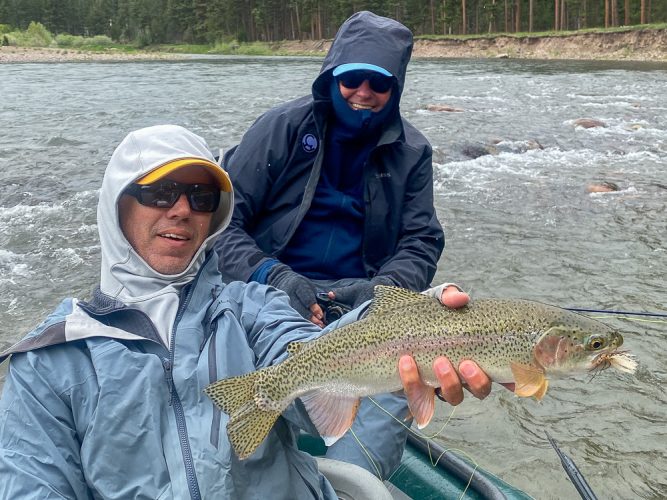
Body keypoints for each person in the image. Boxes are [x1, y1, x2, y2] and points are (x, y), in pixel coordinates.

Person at [0, 124, 491, 499]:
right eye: (159, 193)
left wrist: (418, 319)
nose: (181, 210)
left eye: (201, 196)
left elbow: (312, 356)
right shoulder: (48, 360)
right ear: (117, 205)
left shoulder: (249, 307)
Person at [214, 11, 491, 478]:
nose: (363, 93)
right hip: (267, 290)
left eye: (378, 84)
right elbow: (221, 223)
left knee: (393, 388)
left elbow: (421, 240)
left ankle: (350, 484)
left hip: (361, 305)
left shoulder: (412, 153)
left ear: (395, 88)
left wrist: (380, 291)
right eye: (352, 79)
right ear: (332, 76)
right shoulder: (281, 128)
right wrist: (274, 276)